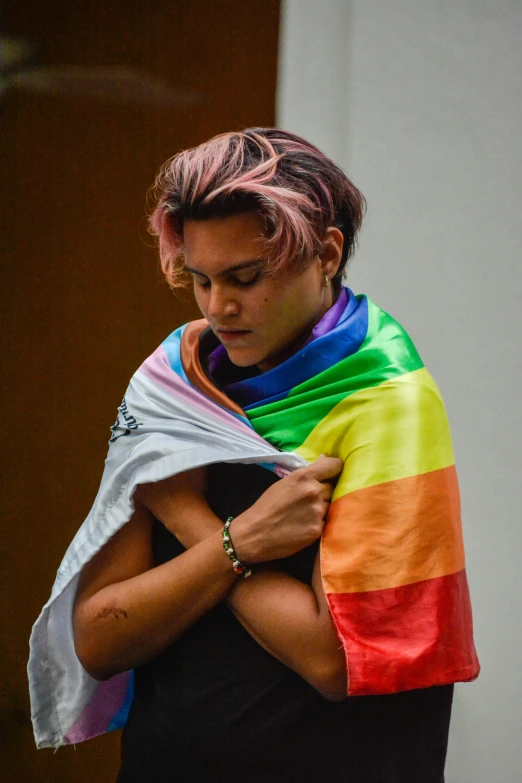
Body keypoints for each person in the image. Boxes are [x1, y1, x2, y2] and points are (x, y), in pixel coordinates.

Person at [29, 128, 479, 782]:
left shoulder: (383, 400)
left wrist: (191, 519)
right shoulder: (172, 388)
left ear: (326, 254)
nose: (220, 307)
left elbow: (333, 660)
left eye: (245, 277)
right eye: (200, 280)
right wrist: (241, 539)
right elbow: (97, 637)